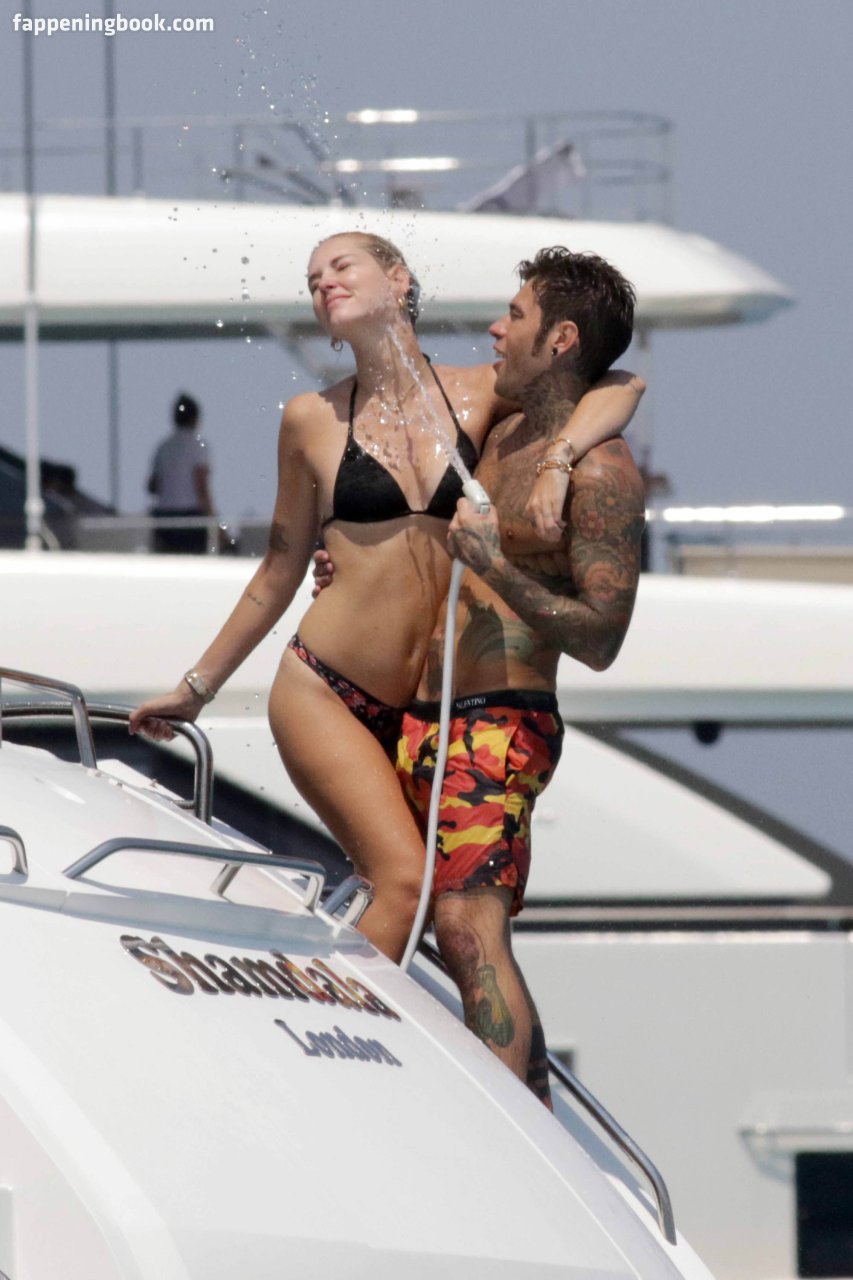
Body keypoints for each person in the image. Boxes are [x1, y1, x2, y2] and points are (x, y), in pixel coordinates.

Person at [129, 232, 642, 964]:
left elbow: (619, 384)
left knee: (420, 896)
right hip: (324, 688)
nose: (323, 282)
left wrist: (559, 460)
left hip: (420, 712)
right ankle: (339, 1020)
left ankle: (332, 991)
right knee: (404, 882)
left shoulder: (480, 393)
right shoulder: (309, 418)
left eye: (342, 266)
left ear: (399, 280)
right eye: (313, 278)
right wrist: (196, 689)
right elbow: (277, 571)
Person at [400, 248, 645, 1104]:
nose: (495, 329)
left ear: (561, 337)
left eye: (514, 314)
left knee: (468, 926)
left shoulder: (603, 474)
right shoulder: (508, 432)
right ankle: (527, 1113)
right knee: (416, 918)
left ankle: (510, 1136)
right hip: (422, 716)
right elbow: (629, 381)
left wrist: (496, 567)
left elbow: (602, 639)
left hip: (499, 719)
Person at [148, 392, 215, 553]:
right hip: (191, 521)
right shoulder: (198, 446)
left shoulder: (163, 447)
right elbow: (201, 487)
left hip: (164, 520)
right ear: (195, 419)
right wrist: (214, 521)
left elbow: (152, 486)